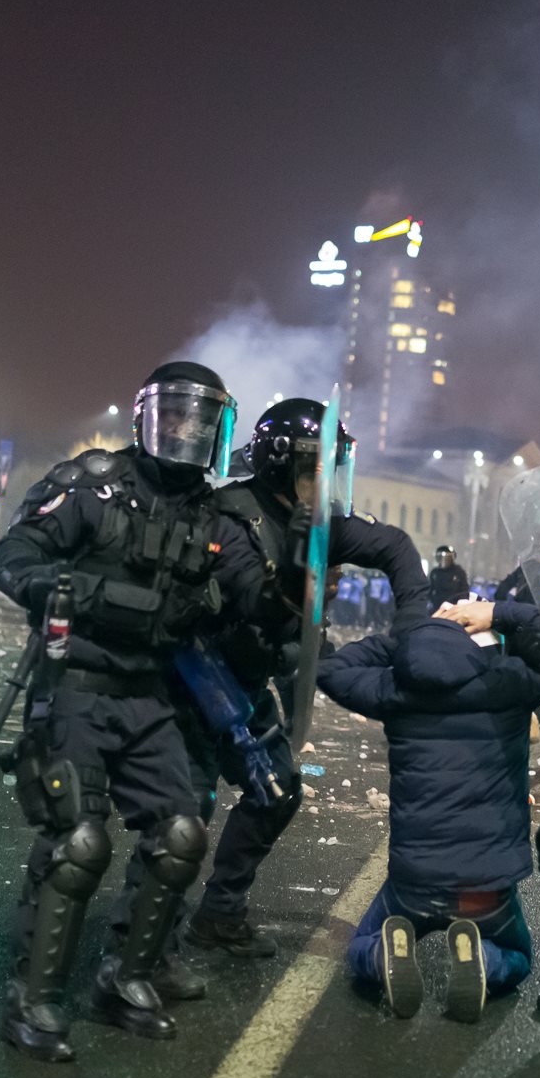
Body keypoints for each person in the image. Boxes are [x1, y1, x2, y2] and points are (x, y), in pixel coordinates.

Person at [0, 360, 267, 1062]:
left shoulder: (217, 516)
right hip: (75, 686)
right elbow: (11, 556)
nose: (185, 430)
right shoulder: (91, 484)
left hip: (152, 696)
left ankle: (125, 976)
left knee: (180, 835)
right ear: (146, 417)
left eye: (200, 421)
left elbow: (254, 594)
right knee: (78, 844)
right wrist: (61, 586)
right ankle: (33, 997)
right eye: (174, 415)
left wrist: (307, 568)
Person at [186, 398, 430, 959]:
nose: (325, 484)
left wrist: (414, 624)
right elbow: (248, 599)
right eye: (313, 471)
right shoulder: (227, 513)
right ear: (279, 463)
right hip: (196, 676)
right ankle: (139, 946)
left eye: (330, 471)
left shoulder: (316, 523)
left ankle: (219, 912)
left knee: (277, 790)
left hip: (244, 682)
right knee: (184, 813)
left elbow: (394, 547)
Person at [316, 601, 540, 1021]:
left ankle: (383, 953)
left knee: (361, 942)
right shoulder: (509, 683)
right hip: (485, 888)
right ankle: (485, 957)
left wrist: (399, 642)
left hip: (414, 884)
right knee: (518, 953)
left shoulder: (396, 691)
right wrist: (498, 613)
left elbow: (332, 669)